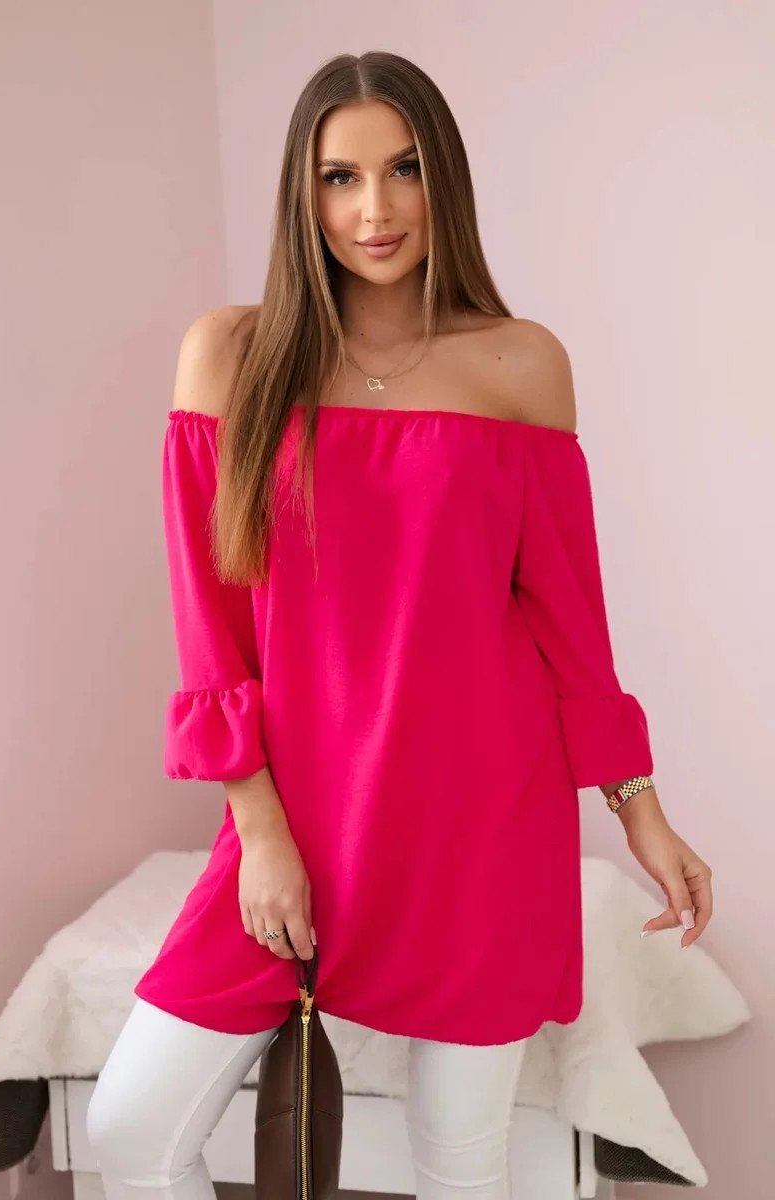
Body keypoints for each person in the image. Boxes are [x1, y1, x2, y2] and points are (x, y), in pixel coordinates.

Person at [85, 49, 713, 1200]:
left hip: (482, 822)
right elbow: (209, 626)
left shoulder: (520, 364)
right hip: (297, 816)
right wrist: (259, 831)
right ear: (302, 191)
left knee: (460, 1162)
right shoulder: (229, 355)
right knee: (131, 1128)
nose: (373, 209)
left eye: (404, 169)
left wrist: (641, 811)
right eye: (339, 177)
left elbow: (569, 624)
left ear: (444, 181)